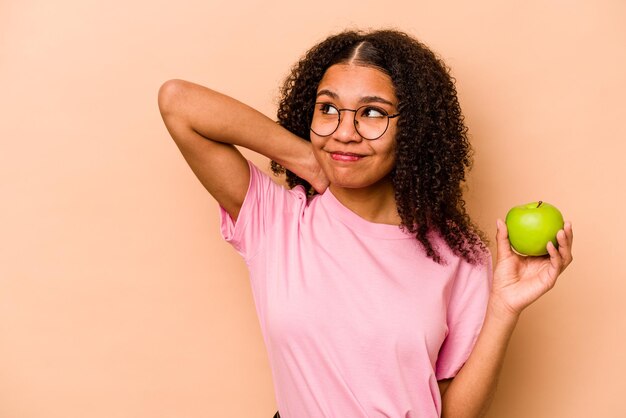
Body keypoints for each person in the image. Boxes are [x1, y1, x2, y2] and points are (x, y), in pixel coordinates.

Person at [157, 29, 573, 418]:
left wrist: (503, 308)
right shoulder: (279, 221)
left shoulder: (459, 253)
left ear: (414, 129)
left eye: (372, 113)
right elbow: (178, 102)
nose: (345, 131)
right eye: (329, 109)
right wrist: (308, 158)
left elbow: (453, 411)